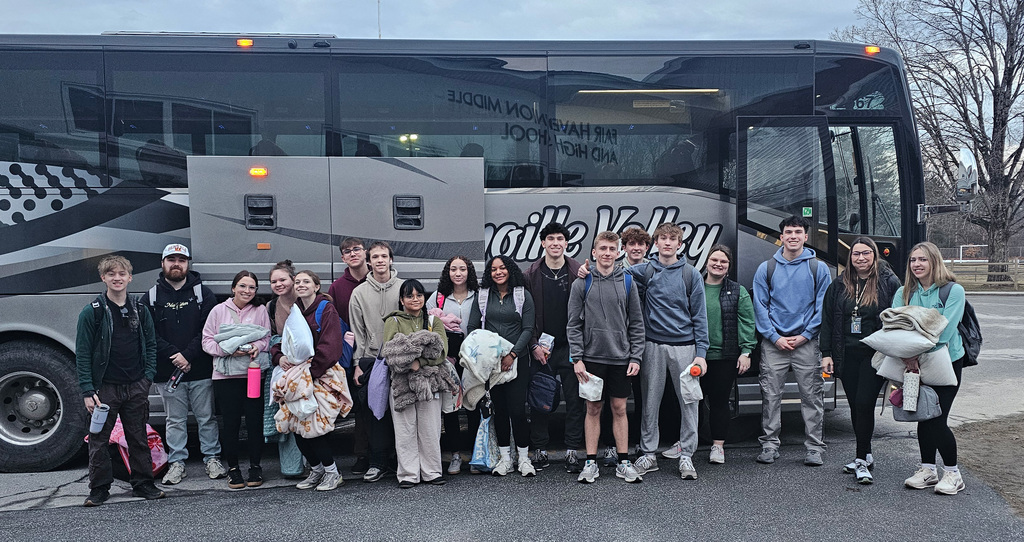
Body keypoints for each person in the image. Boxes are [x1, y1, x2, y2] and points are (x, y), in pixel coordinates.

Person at [77, 255, 163, 506]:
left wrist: (146, 378)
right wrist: (87, 389)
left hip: (136, 385)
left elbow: (150, 346)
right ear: (103, 278)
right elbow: (82, 352)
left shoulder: (141, 309)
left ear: (130, 277)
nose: (117, 278)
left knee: (137, 437)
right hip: (105, 389)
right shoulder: (92, 313)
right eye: (111, 274)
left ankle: (144, 483)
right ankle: (99, 489)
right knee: (99, 440)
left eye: (122, 273)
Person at [626, 222, 709, 480]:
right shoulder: (646, 270)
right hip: (653, 346)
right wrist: (587, 270)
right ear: (656, 243)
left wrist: (701, 353)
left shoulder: (691, 274)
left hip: (685, 347)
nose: (668, 243)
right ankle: (649, 454)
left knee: (689, 403)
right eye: (663, 238)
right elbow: (615, 273)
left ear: (679, 244)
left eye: (673, 239)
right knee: (650, 402)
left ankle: (686, 456)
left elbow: (700, 316)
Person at [141, 244, 224, 486]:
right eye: (171, 259)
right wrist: (174, 355)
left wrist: (187, 355)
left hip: (200, 369)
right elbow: (149, 334)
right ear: (163, 263)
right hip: (168, 373)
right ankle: (177, 463)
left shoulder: (203, 294)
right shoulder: (152, 297)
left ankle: (212, 459)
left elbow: (209, 330)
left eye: (181, 259)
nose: (176, 264)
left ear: (188, 264)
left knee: (206, 418)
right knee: (174, 421)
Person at [752, 216, 832, 466]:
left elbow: (823, 307)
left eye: (798, 232)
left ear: (806, 237)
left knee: (812, 396)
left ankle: (814, 448)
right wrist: (775, 337)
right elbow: (760, 307)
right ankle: (769, 444)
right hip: (774, 343)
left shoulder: (818, 268)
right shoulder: (766, 268)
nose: (793, 236)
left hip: (806, 343)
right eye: (789, 232)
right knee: (770, 396)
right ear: (781, 236)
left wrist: (805, 336)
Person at [820, 238, 901, 484]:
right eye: (856, 254)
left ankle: (861, 459)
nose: (861, 258)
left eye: (866, 253)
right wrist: (826, 354)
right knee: (856, 406)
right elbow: (827, 321)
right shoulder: (839, 284)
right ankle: (865, 454)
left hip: (874, 355)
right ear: (850, 257)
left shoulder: (889, 282)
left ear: (874, 256)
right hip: (846, 354)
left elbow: (897, 318)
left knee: (865, 403)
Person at [567, 232, 645, 483]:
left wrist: (636, 356)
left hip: (621, 358)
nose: (607, 253)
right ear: (594, 252)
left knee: (620, 408)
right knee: (593, 408)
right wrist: (576, 358)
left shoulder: (628, 283)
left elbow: (637, 323)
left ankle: (623, 461)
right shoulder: (582, 283)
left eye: (612, 248)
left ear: (619, 252)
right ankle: (590, 462)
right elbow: (573, 325)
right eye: (603, 248)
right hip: (591, 358)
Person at [894, 242, 967, 495]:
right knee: (923, 416)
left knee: (937, 418)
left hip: (945, 361)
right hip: (912, 362)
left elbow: (945, 330)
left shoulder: (953, 291)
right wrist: (908, 356)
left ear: (934, 261)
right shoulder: (904, 292)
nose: (917, 264)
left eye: (922, 259)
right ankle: (928, 470)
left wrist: (914, 352)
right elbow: (896, 326)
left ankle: (953, 473)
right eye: (913, 260)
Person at [272, 270, 351, 491]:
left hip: (319, 375)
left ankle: (332, 472)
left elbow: (330, 346)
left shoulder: (326, 309)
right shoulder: (295, 312)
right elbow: (283, 343)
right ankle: (317, 470)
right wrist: (280, 357)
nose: (301, 285)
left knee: (313, 427)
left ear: (317, 286)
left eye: (306, 281)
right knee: (296, 426)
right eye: (297, 282)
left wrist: (311, 373)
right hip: (300, 377)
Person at [467, 255, 537, 477]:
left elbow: (528, 328)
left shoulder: (522, 295)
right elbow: (472, 326)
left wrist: (513, 353)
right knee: (500, 410)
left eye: (502, 268)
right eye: (494, 269)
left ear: (511, 270)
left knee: (517, 410)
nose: (498, 272)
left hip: (517, 360)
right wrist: (485, 353)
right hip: (492, 363)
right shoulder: (483, 296)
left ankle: (524, 459)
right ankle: (505, 459)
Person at [524, 222, 585, 473]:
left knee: (574, 401)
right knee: (541, 401)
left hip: (571, 347)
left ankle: (572, 450)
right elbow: (526, 315)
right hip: (543, 349)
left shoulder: (578, 272)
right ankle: (539, 449)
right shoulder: (531, 275)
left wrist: (581, 349)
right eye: (551, 239)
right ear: (542, 243)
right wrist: (534, 345)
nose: (556, 243)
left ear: (566, 243)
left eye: (560, 238)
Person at [202, 270, 271, 489]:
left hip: (252, 373)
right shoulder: (218, 311)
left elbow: (266, 338)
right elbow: (207, 341)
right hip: (225, 376)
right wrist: (227, 350)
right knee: (230, 424)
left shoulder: (260, 310)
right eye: (242, 286)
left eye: (252, 287)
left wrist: (255, 346)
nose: (247, 291)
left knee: (254, 421)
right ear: (233, 288)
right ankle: (233, 469)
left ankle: (255, 466)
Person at [382, 279, 449, 488]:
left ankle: (432, 472)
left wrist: (419, 361)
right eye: (409, 296)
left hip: (430, 381)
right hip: (401, 382)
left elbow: (441, 351)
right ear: (401, 300)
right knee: (405, 429)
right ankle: (408, 474)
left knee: (430, 428)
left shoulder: (433, 321)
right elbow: (391, 352)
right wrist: (412, 358)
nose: (415, 299)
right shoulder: (392, 321)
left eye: (419, 295)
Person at [349, 241, 403, 483]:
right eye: (375, 257)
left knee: (401, 410)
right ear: (368, 262)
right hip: (372, 359)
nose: (380, 260)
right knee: (375, 413)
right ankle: (377, 462)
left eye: (384, 256)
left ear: (391, 260)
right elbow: (357, 331)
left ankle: (401, 460)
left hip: (400, 358)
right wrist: (358, 363)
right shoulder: (358, 293)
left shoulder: (404, 288)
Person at [700, 244, 756, 465]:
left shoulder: (737, 291)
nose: (718, 264)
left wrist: (746, 351)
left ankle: (718, 446)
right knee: (690, 402)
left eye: (723, 261)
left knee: (720, 402)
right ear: (707, 262)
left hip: (725, 357)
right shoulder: (695, 286)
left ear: (729, 266)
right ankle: (686, 445)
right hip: (697, 356)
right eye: (714, 260)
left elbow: (747, 322)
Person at [426, 256, 481, 475]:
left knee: (473, 405)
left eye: (463, 269)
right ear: (447, 272)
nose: (458, 273)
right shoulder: (438, 299)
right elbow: (427, 329)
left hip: (473, 361)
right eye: (453, 269)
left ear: (470, 272)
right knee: (450, 409)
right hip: (447, 361)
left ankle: (478, 454)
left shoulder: (479, 297)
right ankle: (455, 455)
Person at [326, 237, 371, 475]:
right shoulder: (337, 287)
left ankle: (386, 454)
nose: (353, 254)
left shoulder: (376, 280)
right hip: (349, 355)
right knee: (359, 406)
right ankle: (362, 455)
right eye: (347, 252)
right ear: (343, 258)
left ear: (365, 253)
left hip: (376, 352)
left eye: (356, 249)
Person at [264, 260, 307, 478]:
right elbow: (270, 341)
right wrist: (278, 357)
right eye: (274, 281)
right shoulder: (271, 307)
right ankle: (292, 467)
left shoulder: (307, 300)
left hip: (308, 365)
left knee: (308, 413)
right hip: (285, 366)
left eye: (283, 279)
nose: (279, 284)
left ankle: (314, 465)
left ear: (293, 279)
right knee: (287, 414)